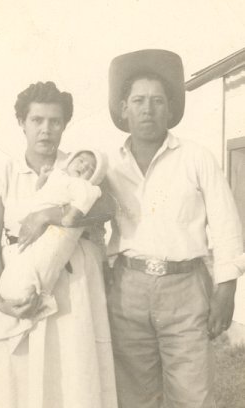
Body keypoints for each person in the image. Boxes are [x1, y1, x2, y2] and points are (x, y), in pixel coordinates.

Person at [105, 49, 245, 408]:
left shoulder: (196, 158)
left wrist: (226, 290)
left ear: (170, 109)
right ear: (124, 109)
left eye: (157, 101)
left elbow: (228, 226)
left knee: (193, 396)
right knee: (135, 397)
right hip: (127, 292)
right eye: (138, 100)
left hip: (185, 290)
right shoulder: (108, 166)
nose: (148, 109)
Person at [0, 81, 117, 408]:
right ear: (22, 123)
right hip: (21, 281)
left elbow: (108, 207)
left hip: (73, 284)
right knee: (17, 380)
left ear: (65, 125)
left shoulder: (83, 166)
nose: (46, 130)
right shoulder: (3, 172)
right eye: (37, 120)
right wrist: (0, 300)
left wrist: (49, 215)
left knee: (71, 375)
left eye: (55, 121)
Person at [0, 149, 108, 350]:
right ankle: (27, 304)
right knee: (21, 275)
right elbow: (42, 193)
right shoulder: (56, 175)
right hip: (24, 238)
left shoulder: (81, 185)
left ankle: (37, 300)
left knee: (44, 265)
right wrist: (43, 181)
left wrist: (70, 214)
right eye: (80, 160)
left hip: (56, 235)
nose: (83, 167)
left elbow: (90, 198)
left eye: (90, 168)